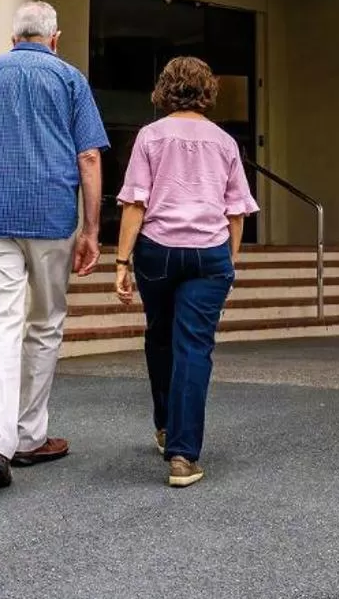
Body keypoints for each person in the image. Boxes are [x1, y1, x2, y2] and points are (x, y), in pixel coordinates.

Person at [0, 0, 107, 493]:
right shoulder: (71, 78)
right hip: (52, 218)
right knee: (45, 322)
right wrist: (92, 229)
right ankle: (30, 435)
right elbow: (89, 156)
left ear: (13, 39)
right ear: (55, 38)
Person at [112, 55, 257, 488]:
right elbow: (236, 211)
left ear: (165, 89)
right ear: (207, 91)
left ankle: (164, 425)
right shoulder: (225, 142)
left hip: (158, 250)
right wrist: (229, 259)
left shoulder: (150, 136)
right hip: (209, 252)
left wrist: (121, 262)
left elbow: (135, 202)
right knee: (194, 347)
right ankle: (182, 454)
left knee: (159, 335)